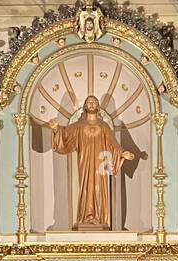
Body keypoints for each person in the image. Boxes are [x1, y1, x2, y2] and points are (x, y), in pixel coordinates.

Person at [41, 96, 134, 229]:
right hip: (84, 163)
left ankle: (99, 217)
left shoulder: (103, 126)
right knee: (86, 188)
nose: (91, 104)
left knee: (99, 189)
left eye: (94, 102)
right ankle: (85, 216)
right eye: (89, 102)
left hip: (101, 164)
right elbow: (66, 135)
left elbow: (113, 143)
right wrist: (56, 129)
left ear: (98, 107)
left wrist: (121, 153)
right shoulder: (79, 125)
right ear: (85, 106)